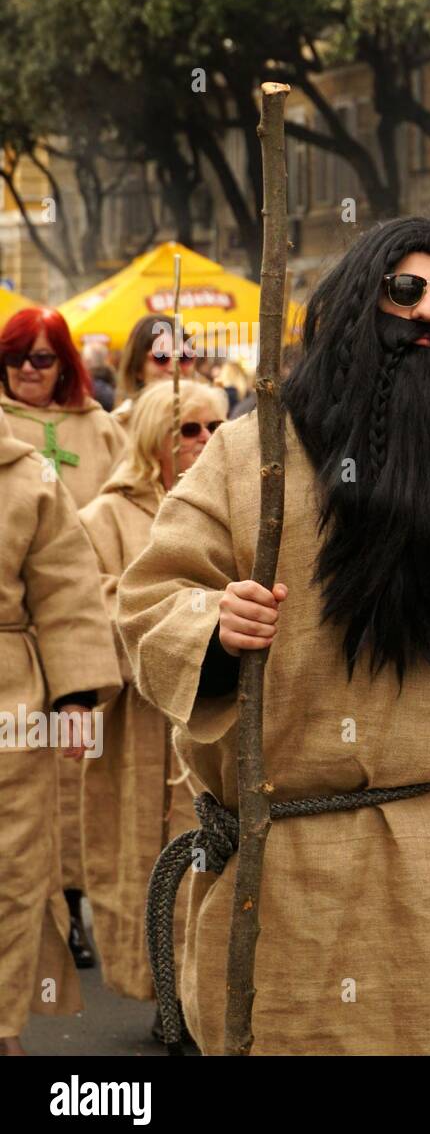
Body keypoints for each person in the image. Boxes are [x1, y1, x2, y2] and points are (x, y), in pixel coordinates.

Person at [116, 218, 430, 1055]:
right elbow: (150, 598)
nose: (429, 313)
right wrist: (215, 625)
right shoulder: (254, 458)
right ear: (361, 305)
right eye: (405, 290)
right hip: (288, 876)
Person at [78, 380, 228, 1018]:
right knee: (143, 861)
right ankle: (162, 998)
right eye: (189, 430)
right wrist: (171, 625)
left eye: (215, 428)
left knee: (210, 859)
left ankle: (202, 998)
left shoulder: (231, 506)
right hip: (138, 723)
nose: (205, 442)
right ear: (153, 440)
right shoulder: (102, 518)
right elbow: (91, 607)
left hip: (208, 716)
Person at [1, 306, 127, 968]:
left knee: (58, 806)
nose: (28, 369)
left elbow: (128, 498)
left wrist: (79, 687)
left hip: (60, 645)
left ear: (66, 365)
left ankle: (70, 909)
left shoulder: (97, 430)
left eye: (43, 357)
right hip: (21, 652)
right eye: (18, 356)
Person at [0, 430, 120, 1055]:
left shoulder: (28, 477)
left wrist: (74, 697)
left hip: (11, 706)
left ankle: (2, 1026)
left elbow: (67, 589)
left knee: (12, 867)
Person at [112, 314, 199, 423]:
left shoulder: (209, 420)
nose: (175, 368)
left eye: (184, 357)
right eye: (161, 357)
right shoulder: (119, 426)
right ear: (138, 369)